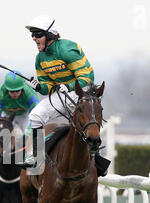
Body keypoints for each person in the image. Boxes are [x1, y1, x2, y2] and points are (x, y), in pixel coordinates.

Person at [21, 14, 95, 169]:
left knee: (85, 124)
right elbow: (47, 87)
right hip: (63, 94)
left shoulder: (67, 50)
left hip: (82, 93)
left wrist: (68, 87)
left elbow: (86, 78)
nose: (34, 38)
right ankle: (36, 156)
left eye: (37, 34)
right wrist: (39, 87)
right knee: (35, 115)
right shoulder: (40, 58)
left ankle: (96, 157)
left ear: (50, 35)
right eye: (32, 35)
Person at [0, 71, 40, 182]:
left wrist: (28, 132)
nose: (14, 93)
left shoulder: (30, 94)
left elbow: (37, 113)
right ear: (6, 89)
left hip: (24, 116)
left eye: (17, 90)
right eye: (11, 91)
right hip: (5, 116)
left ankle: (34, 168)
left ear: (22, 88)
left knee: (33, 136)